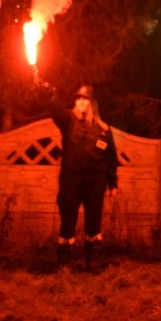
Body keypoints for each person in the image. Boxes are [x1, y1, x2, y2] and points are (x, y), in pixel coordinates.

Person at [37, 82, 119, 272]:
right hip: (71, 179)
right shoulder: (68, 121)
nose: (81, 103)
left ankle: (92, 262)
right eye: (78, 99)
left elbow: (110, 158)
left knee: (93, 220)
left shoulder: (103, 130)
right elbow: (55, 108)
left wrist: (112, 183)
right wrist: (48, 92)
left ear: (92, 104)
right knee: (68, 218)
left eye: (85, 100)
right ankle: (65, 263)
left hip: (95, 182)